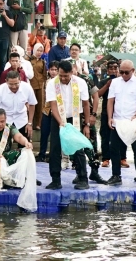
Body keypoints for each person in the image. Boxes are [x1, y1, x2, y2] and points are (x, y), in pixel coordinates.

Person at [45, 60, 105, 190]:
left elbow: (85, 104)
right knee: (55, 148)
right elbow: (53, 105)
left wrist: (87, 124)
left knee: (77, 147)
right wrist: (61, 123)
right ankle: (55, 180)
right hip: (58, 118)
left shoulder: (81, 82)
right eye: (61, 75)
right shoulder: (52, 83)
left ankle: (83, 178)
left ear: (71, 73)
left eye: (66, 76)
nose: (63, 78)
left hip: (75, 118)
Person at [105, 60, 136, 187]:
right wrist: (109, 117)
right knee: (114, 149)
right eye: (121, 72)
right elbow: (110, 101)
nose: (124, 75)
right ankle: (116, 175)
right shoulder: (115, 82)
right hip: (117, 121)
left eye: (126, 72)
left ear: (133, 71)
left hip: (133, 122)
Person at [0, 70, 37, 147]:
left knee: (25, 146)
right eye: (11, 84)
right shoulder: (0, 90)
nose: (14, 87)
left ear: (20, 80)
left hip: (22, 119)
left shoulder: (27, 88)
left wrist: (30, 123)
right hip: (6, 121)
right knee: (3, 147)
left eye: (16, 84)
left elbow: (32, 104)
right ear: (6, 81)